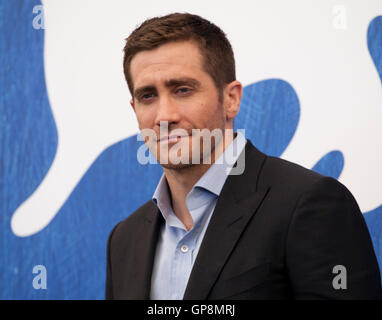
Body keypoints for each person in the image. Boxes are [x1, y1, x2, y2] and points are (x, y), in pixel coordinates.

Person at [105, 12, 382, 300]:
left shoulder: (310, 204)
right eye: (148, 96)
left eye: (183, 90)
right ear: (134, 108)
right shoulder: (124, 240)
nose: (165, 115)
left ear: (231, 99)